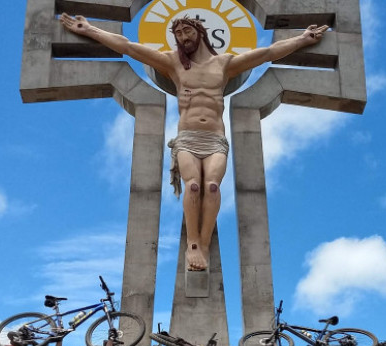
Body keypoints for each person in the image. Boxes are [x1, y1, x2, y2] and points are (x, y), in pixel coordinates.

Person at [60, 14, 329, 271]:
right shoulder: (172, 64)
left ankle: (204, 243)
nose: (183, 37)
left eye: (187, 31)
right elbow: (129, 47)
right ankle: (193, 245)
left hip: (215, 139)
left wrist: (303, 39)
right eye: (178, 34)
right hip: (187, 138)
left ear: (200, 33)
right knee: (194, 186)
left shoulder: (224, 64)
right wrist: (90, 30)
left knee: (211, 187)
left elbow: (267, 53)